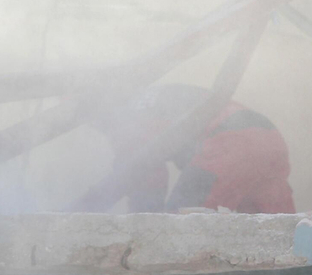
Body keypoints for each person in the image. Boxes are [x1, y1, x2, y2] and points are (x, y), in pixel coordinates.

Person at [100, 84, 296, 213]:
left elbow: (145, 175)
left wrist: (143, 231)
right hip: (269, 139)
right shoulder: (151, 97)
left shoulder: (123, 118)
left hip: (227, 140)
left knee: (183, 225)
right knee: (282, 232)